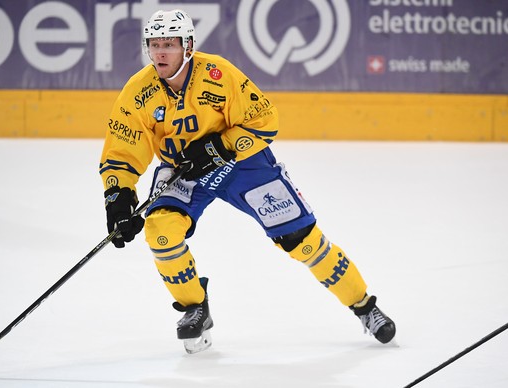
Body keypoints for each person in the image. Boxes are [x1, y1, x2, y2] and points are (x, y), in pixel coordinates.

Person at [99, 9, 395, 354]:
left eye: (170, 44)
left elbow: (265, 120)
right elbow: (122, 149)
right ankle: (195, 307)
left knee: (302, 240)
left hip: (243, 164)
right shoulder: (139, 91)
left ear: (188, 46)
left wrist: (220, 147)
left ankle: (364, 305)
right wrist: (118, 194)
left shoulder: (218, 74)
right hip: (185, 169)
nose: (161, 52)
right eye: (154, 44)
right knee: (160, 231)